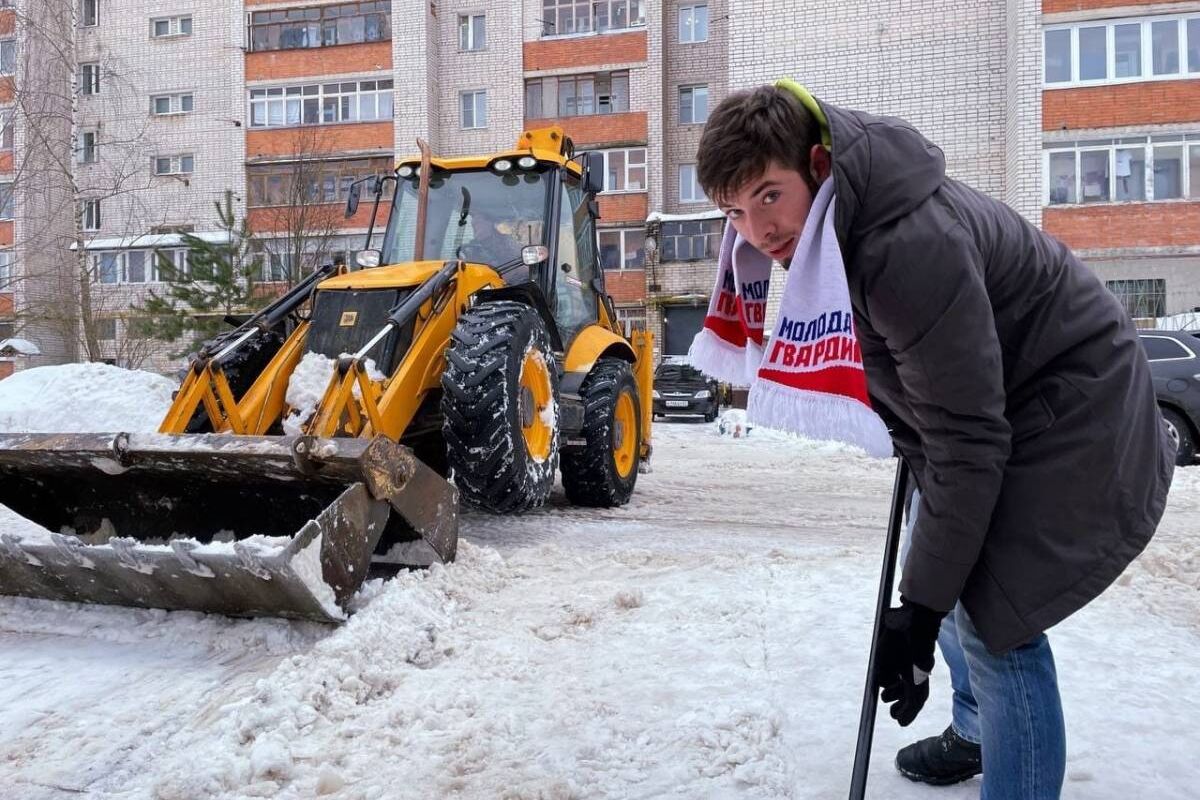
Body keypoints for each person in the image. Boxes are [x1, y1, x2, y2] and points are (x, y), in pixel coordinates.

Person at [696, 81, 1174, 798]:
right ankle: (978, 728)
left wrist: (917, 616)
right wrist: (924, 597)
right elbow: (934, 397)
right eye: (735, 210)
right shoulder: (836, 233)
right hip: (996, 406)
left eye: (769, 195)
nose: (758, 231)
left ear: (820, 166)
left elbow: (969, 439)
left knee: (992, 617)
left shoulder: (901, 248)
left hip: (1077, 407)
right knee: (940, 562)